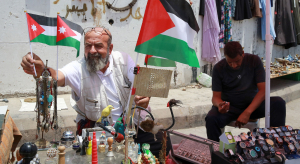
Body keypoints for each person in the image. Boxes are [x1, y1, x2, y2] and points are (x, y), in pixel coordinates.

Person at [21, 27, 170, 157]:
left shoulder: (123, 59)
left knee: (162, 145)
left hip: (134, 125)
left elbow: (141, 80)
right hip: (99, 131)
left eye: (98, 46)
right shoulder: (78, 68)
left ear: (110, 49)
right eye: (88, 46)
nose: (92, 51)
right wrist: (43, 70)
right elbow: (57, 76)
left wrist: (145, 93)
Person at [205, 41, 286, 142]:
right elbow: (215, 97)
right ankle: (219, 151)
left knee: (279, 103)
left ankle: (274, 144)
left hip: (253, 106)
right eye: (230, 62)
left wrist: (247, 112)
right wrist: (219, 104)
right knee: (211, 119)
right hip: (230, 108)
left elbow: (263, 90)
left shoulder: (254, 61)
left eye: (237, 61)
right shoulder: (218, 68)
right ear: (225, 57)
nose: (234, 65)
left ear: (242, 53)